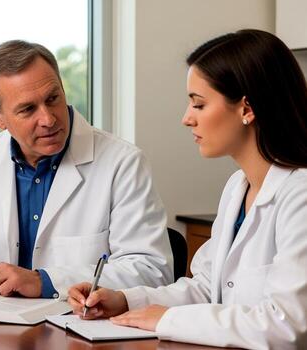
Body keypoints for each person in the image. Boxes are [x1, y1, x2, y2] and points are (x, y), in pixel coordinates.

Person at [67, 29, 307, 348]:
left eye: (199, 104)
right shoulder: (238, 188)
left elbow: (287, 325)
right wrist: (126, 300)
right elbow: (206, 290)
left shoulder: (300, 195)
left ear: (247, 109)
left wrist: (166, 319)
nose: (186, 119)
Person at [0, 39, 172, 299]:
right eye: (27, 109)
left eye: (53, 98)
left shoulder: (123, 162)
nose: (48, 119)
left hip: (78, 324)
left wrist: (44, 281)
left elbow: (152, 270)